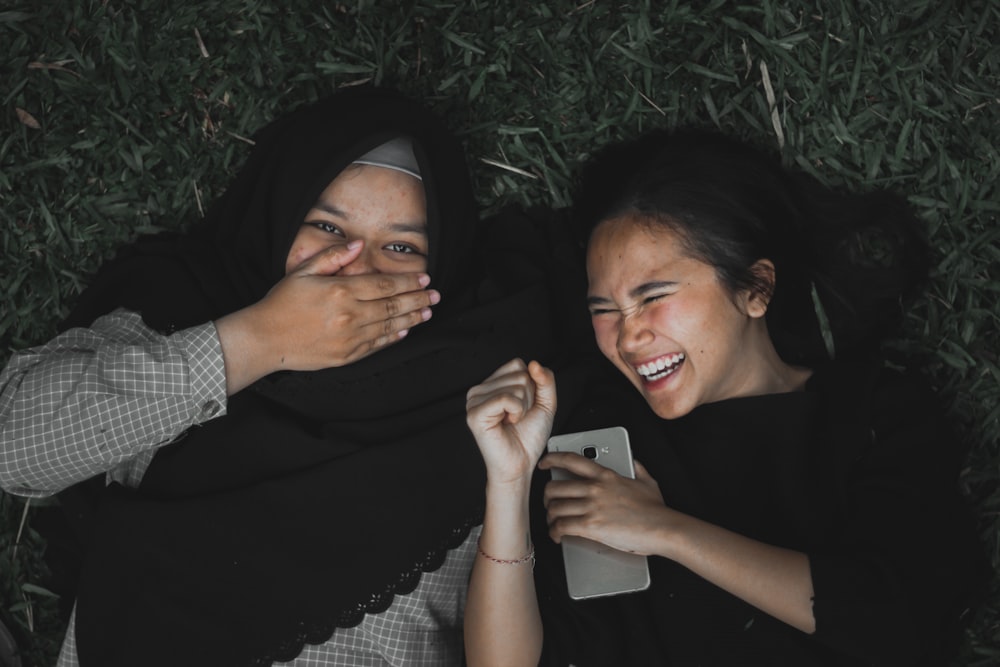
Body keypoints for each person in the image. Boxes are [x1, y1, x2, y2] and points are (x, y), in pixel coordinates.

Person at [0, 87, 564, 666]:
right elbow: (15, 450)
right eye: (327, 228)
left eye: (401, 245)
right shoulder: (183, 313)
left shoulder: (476, 388)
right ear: (278, 217)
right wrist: (262, 338)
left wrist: (508, 480)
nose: (357, 270)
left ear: (442, 261)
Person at [464, 129, 985, 666]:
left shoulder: (873, 413)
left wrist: (665, 530)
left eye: (654, 297)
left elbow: (893, 621)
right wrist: (507, 483)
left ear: (754, 289)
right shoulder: (601, 443)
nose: (626, 337)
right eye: (604, 310)